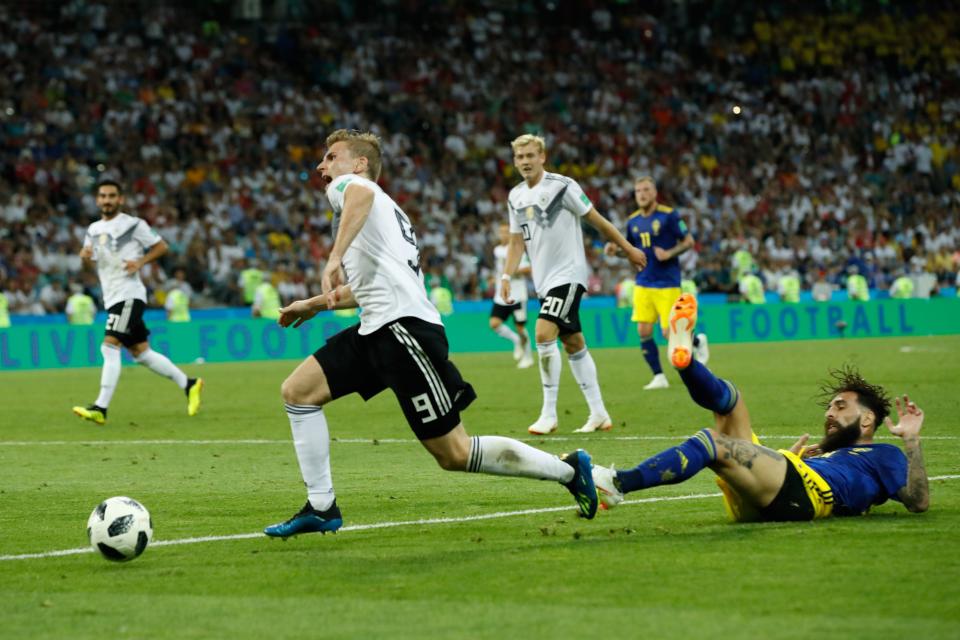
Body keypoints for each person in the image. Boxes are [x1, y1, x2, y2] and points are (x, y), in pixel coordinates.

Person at [264, 130, 599, 539]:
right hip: (378, 328)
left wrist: (333, 256)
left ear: (360, 164)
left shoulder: (355, 188)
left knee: (454, 453)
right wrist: (314, 304)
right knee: (298, 392)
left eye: (331, 157)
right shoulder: (382, 218)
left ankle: (569, 470)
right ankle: (321, 507)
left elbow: (359, 196)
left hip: (405, 333)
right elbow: (369, 287)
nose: (322, 166)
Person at [591, 292, 929, 522]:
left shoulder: (883, 454)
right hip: (787, 485)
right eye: (829, 406)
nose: (829, 413)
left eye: (840, 406)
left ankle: (618, 483)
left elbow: (918, 502)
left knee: (711, 442)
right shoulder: (825, 454)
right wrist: (790, 458)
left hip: (806, 494)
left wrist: (911, 441)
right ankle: (686, 363)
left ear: (868, 419)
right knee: (731, 402)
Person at [501, 134, 647, 435]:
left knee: (542, 333)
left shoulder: (562, 186)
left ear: (542, 156)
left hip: (569, 274)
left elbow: (598, 221)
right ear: (515, 161)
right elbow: (516, 243)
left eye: (531, 155)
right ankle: (599, 413)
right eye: (520, 157)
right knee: (573, 343)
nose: (526, 161)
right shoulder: (515, 196)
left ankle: (549, 414)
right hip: (543, 281)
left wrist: (629, 248)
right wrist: (506, 276)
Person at [72, 180, 203, 425]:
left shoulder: (133, 224)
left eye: (112, 195)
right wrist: (83, 257)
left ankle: (100, 407)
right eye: (103, 196)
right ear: (97, 200)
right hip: (111, 297)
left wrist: (140, 263)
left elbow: (161, 246)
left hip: (129, 294)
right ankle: (190, 384)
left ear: (120, 199)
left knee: (109, 346)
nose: (107, 200)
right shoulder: (93, 229)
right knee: (141, 353)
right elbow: (89, 263)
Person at [605, 176, 707, 391]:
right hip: (642, 283)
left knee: (669, 333)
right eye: (638, 191)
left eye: (646, 190)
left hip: (667, 283)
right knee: (643, 331)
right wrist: (617, 252)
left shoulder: (669, 216)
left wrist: (669, 252)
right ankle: (659, 376)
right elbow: (631, 253)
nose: (641, 194)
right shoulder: (633, 222)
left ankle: (697, 342)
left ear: (654, 193)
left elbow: (689, 241)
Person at [490, 222, 534, 368]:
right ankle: (516, 341)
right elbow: (498, 270)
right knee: (494, 323)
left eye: (506, 232)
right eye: (501, 232)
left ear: (511, 233)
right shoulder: (497, 250)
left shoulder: (516, 249)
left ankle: (528, 356)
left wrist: (512, 271)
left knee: (520, 327)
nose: (503, 235)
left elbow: (528, 269)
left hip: (518, 295)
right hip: (501, 294)